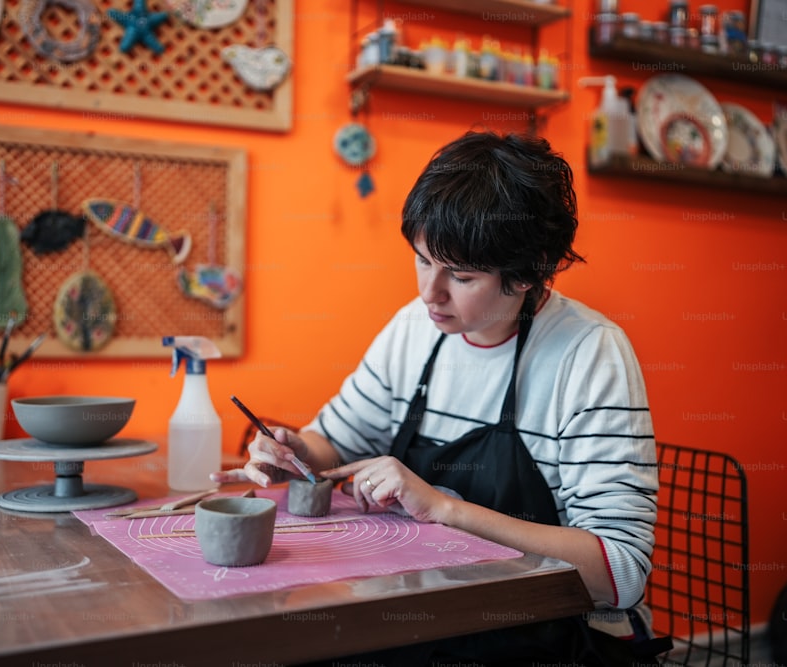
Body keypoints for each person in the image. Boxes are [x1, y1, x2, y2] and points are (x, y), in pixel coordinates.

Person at [212, 130, 665, 666]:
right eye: (423, 260)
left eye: (462, 275)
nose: (430, 292)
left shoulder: (590, 354)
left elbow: (620, 572)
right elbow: (336, 438)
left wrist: (444, 508)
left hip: (546, 637)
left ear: (529, 272)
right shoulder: (414, 327)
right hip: (422, 623)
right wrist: (294, 452)